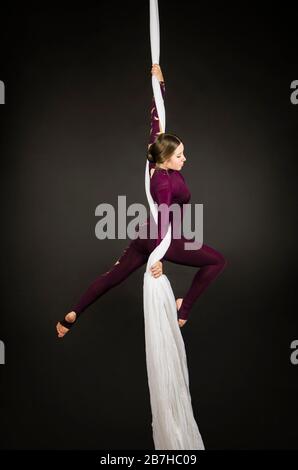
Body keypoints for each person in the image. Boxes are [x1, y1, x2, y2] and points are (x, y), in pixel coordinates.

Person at [56, 64, 227, 338]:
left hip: (144, 235)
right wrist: (158, 258)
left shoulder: (155, 158)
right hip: (162, 236)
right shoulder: (163, 183)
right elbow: (162, 220)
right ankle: (184, 309)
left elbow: (156, 119)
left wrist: (159, 85)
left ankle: (72, 315)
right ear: (167, 157)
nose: (185, 159)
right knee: (217, 262)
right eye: (180, 155)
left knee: (113, 276)